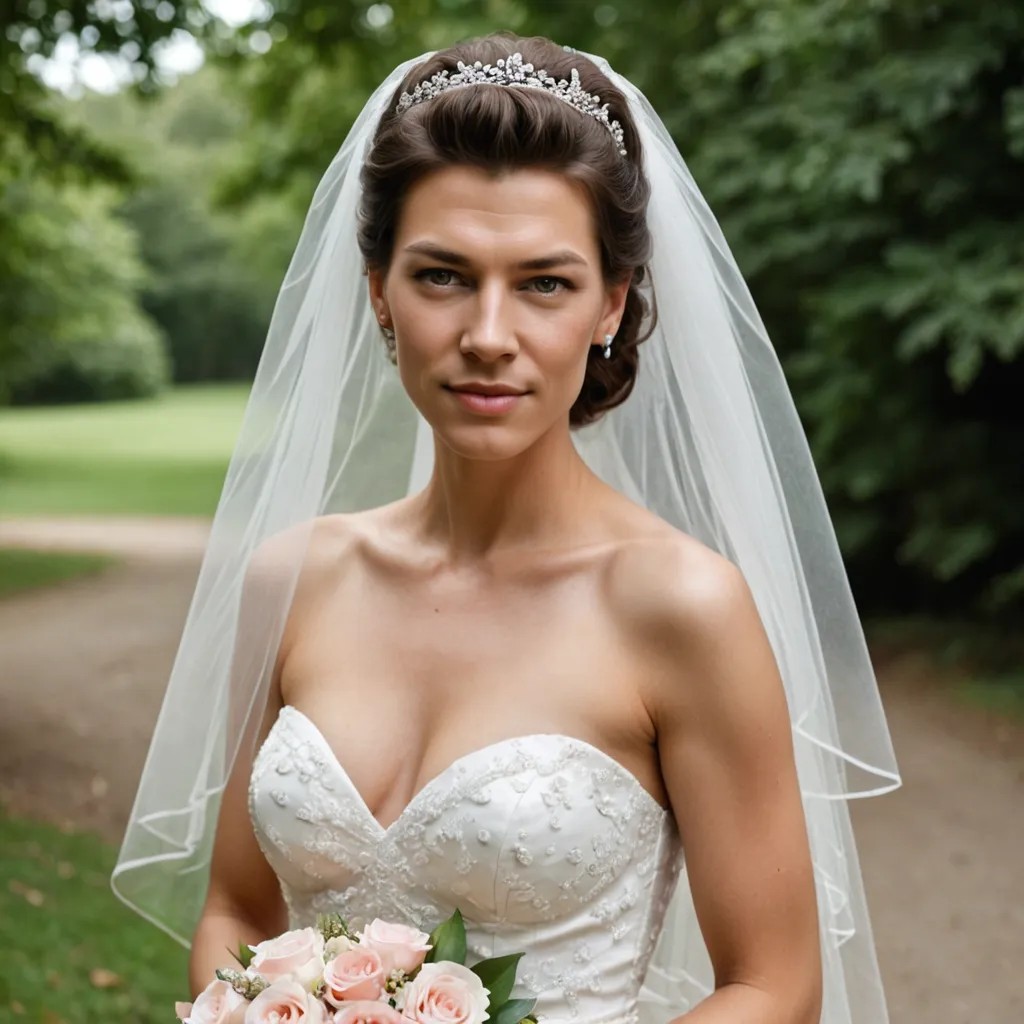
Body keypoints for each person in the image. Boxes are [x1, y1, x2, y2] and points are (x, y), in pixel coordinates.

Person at [112, 32, 901, 1024]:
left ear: (610, 304)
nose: (489, 335)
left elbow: (773, 984)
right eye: (442, 275)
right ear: (378, 295)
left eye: (544, 283)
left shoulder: (679, 605)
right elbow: (235, 908)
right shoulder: (294, 579)